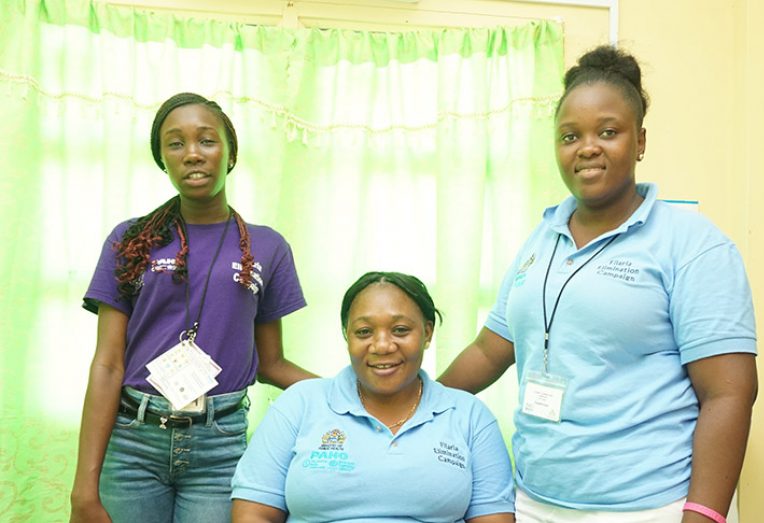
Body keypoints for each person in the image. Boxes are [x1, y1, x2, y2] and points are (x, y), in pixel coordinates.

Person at [439, 46, 758, 523]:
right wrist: (416, 404)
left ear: (641, 141)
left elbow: (729, 393)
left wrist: (703, 515)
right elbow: (490, 350)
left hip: (653, 507)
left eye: (608, 131)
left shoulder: (692, 244)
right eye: (570, 136)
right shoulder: (541, 239)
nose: (587, 147)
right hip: (532, 501)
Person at [69, 92, 315, 523]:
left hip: (220, 447)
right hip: (133, 444)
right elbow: (108, 364)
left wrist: (348, 391)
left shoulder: (268, 246)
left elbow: (270, 362)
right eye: (175, 144)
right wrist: (83, 491)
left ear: (231, 153)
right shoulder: (129, 240)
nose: (192, 154)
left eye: (207, 140)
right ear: (162, 159)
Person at [231, 271, 515, 523]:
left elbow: (494, 518)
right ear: (347, 335)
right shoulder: (299, 404)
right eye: (364, 332)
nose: (382, 345)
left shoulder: (470, 416)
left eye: (400, 330)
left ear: (427, 333)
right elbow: (254, 513)